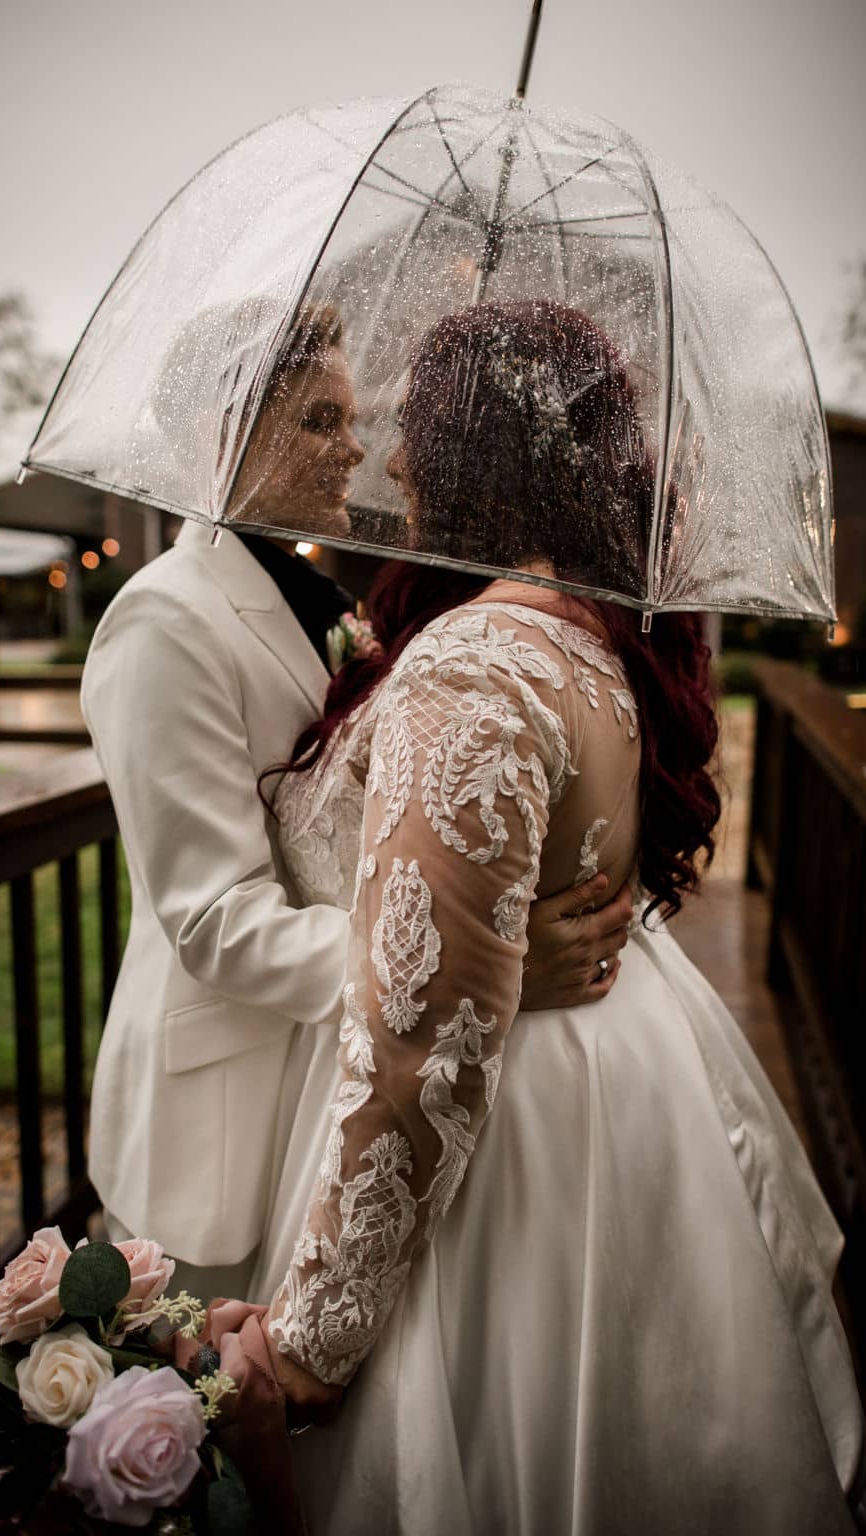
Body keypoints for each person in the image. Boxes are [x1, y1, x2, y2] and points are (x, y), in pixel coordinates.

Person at [211, 300, 866, 1533]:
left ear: (475, 451)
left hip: (505, 1151)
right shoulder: (581, 633)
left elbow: (422, 1053)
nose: (394, 458)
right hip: (598, 1098)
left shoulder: (470, 666)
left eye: (417, 427)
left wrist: (309, 1348)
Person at [81, 303, 636, 1303]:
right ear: (226, 435)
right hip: (223, 1110)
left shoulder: (322, 602)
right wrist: (469, 969)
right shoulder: (164, 620)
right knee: (210, 1411)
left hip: (333, 1077)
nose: (356, 450)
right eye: (319, 421)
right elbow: (215, 920)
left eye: (350, 419)